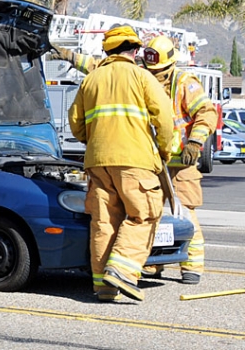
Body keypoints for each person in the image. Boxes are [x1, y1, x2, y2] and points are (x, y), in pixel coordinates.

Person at [68, 26, 175, 302]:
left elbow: (76, 123)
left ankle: (104, 287)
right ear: (135, 51)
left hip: (98, 162)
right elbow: (163, 118)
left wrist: (93, 141)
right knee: (145, 214)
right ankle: (123, 270)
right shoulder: (141, 77)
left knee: (104, 221)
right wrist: (164, 151)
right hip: (135, 160)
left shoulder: (91, 80)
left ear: (107, 51)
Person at [139, 36, 217, 285]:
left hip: (181, 165)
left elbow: (206, 113)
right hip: (153, 163)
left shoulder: (185, 83)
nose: (156, 75)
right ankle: (154, 264)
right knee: (151, 214)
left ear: (170, 64)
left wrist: (195, 142)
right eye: (152, 70)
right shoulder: (142, 79)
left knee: (185, 214)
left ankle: (191, 267)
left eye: (160, 71)